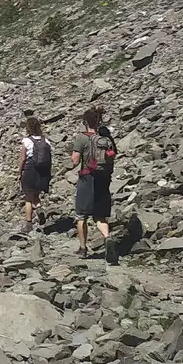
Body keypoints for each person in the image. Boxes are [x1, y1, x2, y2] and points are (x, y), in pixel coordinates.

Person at [70, 107, 117, 261]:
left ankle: (83, 249)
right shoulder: (107, 139)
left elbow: (75, 160)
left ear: (85, 122)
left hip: (87, 179)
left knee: (81, 215)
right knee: (99, 215)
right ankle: (107, 237)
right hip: (103, 179)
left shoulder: (82, 138)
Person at [18, 115, 52, 230]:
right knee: (36, 194)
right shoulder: (45, 140)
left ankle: (28, 223)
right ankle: (39, 208)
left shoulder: (26, 141)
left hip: (30, 169)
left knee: (28, 197)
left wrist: (19, 172)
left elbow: (22, 158)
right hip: (42, 171)